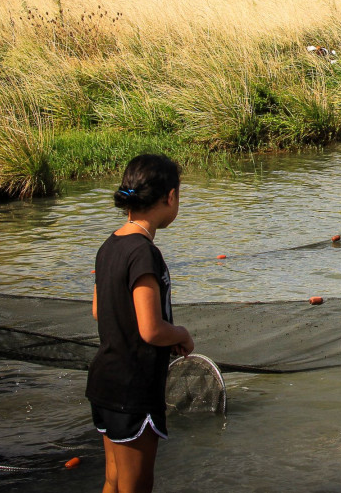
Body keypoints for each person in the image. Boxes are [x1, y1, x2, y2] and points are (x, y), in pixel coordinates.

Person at [86, 154, 194, 493]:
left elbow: (97, 310)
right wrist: (180, 335)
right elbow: (150, 329)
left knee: (113, 481)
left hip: (105, 382)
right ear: (170, 197)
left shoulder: (110, 245)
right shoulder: (144, 253)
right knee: (137, 487)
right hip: (134, 388)